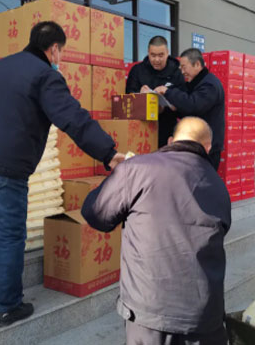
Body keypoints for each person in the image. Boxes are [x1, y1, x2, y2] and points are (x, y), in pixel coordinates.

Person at [0, 21, 125, 327]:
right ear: (54, 49)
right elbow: (73, 118)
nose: (60, 58)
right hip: (5, 169)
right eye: (61, 53)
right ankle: (8, 306)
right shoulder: (45, 76)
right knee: (10, 236)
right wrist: (107, 152)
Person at [82, 117, 231, 345]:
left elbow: (96, 214)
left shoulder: (137, 168)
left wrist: (119, 176)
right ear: (208, 148)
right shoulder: (219, 186)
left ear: (171, 141)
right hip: (204, 314)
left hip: (149, 313)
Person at [154, 48, 225, 170]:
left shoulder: (210, 85)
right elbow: (187, 107)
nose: (182, 72)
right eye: (180, 68)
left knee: (202, 179)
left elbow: (193, 105)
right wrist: (170, 107)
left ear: (197, 64)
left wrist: (167, 92)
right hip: (196, 145)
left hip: (207, 148)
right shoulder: (195, 84)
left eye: (184, 67)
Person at [125, 36, 186, 147]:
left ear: (167, 53)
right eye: (153, 55)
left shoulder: (177, 73)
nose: (157, 60)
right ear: (148, 53)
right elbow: (127, 100)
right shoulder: (137, 71)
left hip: (167, 131)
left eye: (161, 55)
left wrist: (167, 106)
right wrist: (140, 95)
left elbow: (183, 102)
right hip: (141, 130)